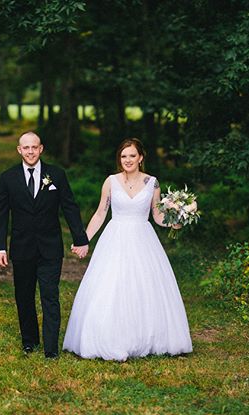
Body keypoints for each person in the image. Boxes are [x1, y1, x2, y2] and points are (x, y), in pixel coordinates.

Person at [63, 138, 193, 361]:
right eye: (124, 156)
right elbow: (101, 213)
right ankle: (109, 337)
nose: (128, 160)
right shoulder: (111, 181)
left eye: (132, 155)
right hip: (115, 238)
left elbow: (157, 215)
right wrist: (84, 239)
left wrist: (176, 220)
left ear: (140, 157)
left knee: (145, 287)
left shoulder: (152, 183)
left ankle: (148, 337)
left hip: (143, 238)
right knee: (111, 285)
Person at [0, 131, 89, 359]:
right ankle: (29, 341)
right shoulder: (8, 178)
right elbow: (0, 215)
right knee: (24, 296)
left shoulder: (56, 174)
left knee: (50, 295)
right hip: (22, 247)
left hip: (50, 248)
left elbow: (69, 207)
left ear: (41, 149)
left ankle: (51, 348)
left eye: (34, 147)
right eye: (26, 148)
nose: (30, 152)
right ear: (19, 150)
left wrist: (80, 238)